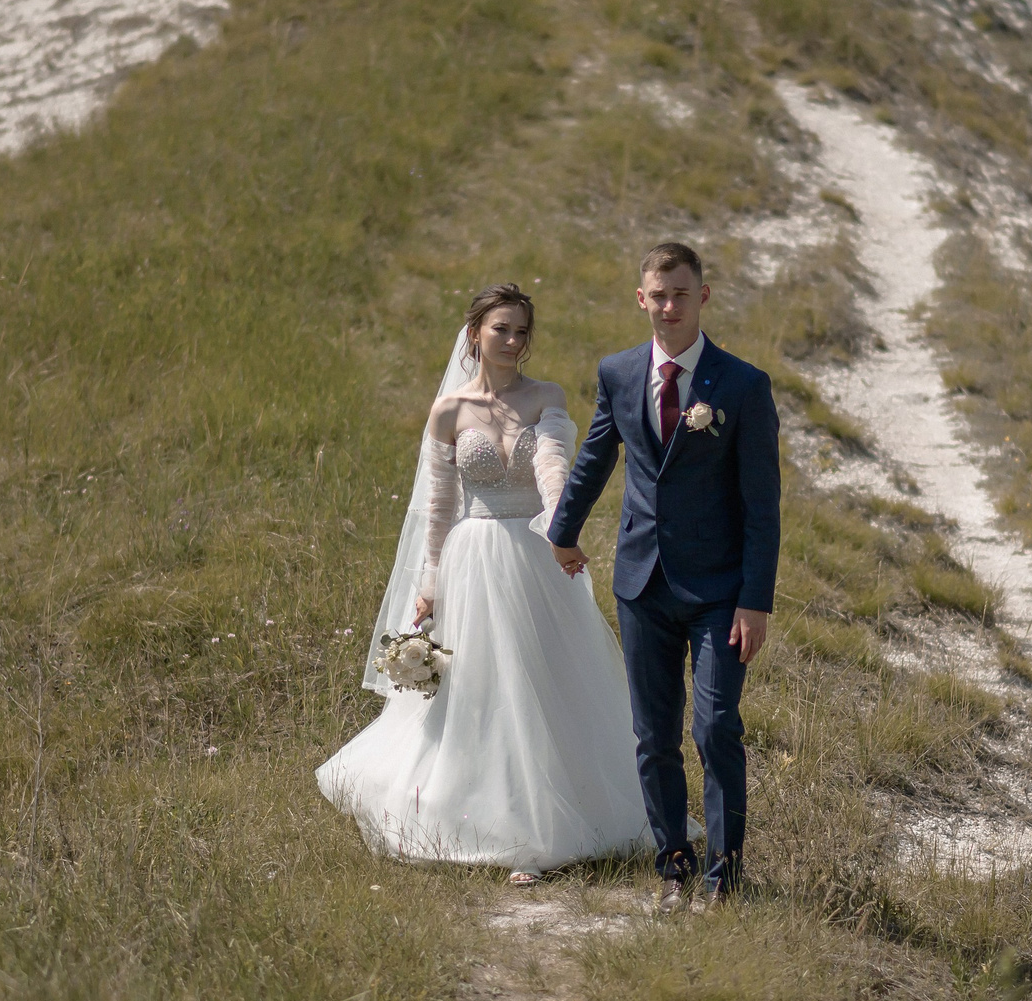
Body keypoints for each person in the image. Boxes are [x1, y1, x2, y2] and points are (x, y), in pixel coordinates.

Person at [318, 284, 649, 880]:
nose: (514, 341)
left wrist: (559, 530)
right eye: (502, 329)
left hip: (534, 554)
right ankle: (488, 818)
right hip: (472, 559)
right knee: (481, 688)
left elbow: (554, 469)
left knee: (545, 680)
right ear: (475, 333)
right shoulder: (449, 411)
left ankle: (557, 820)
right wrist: (430, 585)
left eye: (523, 331)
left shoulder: (545, 397)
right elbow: (438, 510)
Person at [547, 243, 780, 912]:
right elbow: (594, 455)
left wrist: (754, 600)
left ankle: (724, 876)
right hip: (641, 583)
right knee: (653, 736)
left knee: (714, 727)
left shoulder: (742, 385)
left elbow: (762, 506)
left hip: (720, 594)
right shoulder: (619, 373)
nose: (669, 305)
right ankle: (674, 866)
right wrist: (563, 533)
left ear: (702, 296)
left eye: (682, 292)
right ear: (641, 298)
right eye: (658, 293)